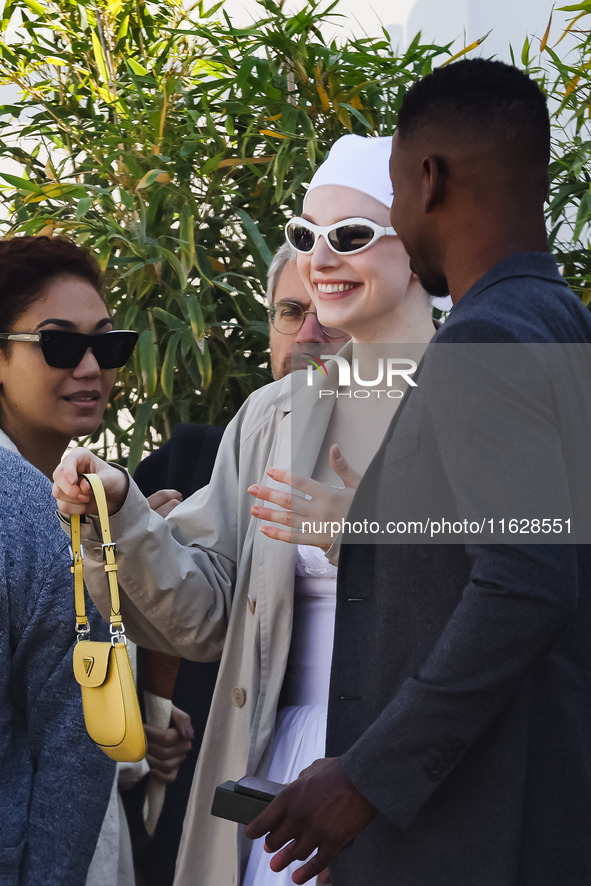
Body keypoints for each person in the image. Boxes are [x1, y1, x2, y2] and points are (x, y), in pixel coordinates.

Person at [51, 133, 436, 885]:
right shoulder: (272, 416)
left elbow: (515, 594)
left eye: (350, 237)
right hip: (277, 771)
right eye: (303, 237)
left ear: (415, 252)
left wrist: (359, 532)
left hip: (420, 775)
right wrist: (121, 513)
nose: (321, 260)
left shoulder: (483, 393)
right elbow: (207, 614)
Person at [244, 60, 591, 886]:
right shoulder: (560, 321)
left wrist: (365, 775)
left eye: (393, 194)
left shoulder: (484, 339)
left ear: (426, 180)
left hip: (474, 835)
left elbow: (523, 581)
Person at [129, 241, 347, 886]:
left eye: (329, 309)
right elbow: (201, 611)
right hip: (265, 763)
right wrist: (120, 523)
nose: (309, 333)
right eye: (289, 311)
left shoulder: (437, 415)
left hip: (381, 765)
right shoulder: (253, 429)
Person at [0, 235, 127, 883]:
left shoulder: (107, 507)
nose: (89, 367)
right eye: (57, 343)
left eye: (107, 344)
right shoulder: (19, 508)